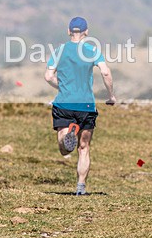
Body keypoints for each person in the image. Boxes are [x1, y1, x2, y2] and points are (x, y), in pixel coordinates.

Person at [44, 16, 116, 195]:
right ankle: (81, 187)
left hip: (64, 103)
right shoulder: (92, 50)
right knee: (84, 148)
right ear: (86, 32)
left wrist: (62, 86)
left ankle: (66, 136)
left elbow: (48, 76)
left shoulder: (60, 50)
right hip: (86, 106)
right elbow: (105, 73)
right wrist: (111, 96)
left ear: (69, 31)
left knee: (63, 148)